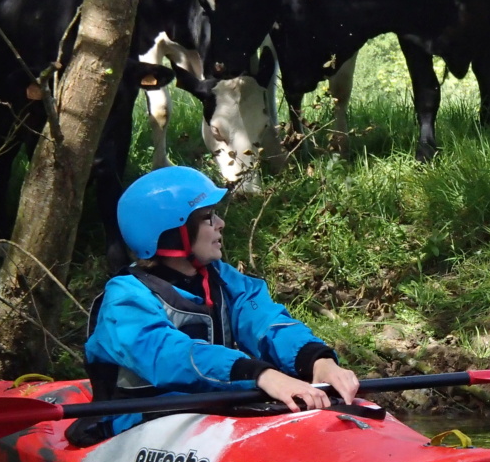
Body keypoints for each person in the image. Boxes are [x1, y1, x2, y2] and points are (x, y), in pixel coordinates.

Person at [66, 166, 359, 446]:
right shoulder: (126, 298)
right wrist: (258, 374)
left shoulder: (225, 280)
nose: (221, 224)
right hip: (135, 421)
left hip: (209, 410)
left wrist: (316, 361)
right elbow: (168, 354)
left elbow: (268, 323)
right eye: (208, 217)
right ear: (172, 232)